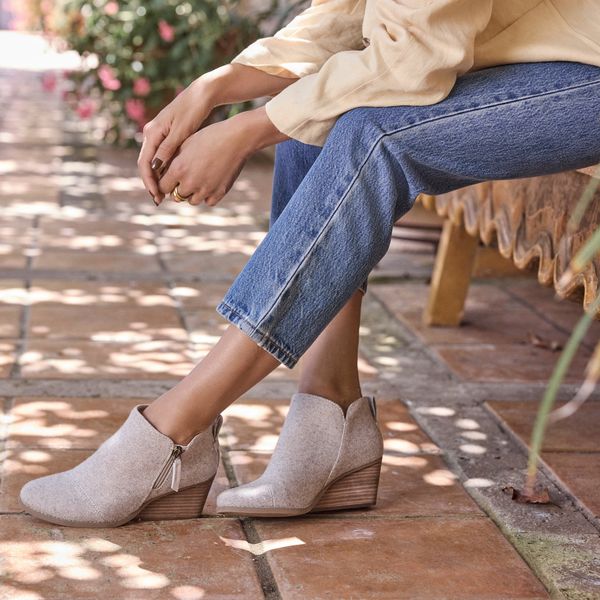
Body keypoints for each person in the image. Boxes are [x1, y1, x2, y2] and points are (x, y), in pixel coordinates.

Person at [20, 0, 600, 527]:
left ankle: (175, 429)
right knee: (314, 120)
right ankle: (331, 417)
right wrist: (213, 86)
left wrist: (245, 131)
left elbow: (412, 59)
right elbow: (351, 15)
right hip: (548, 52)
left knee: (373, 134)